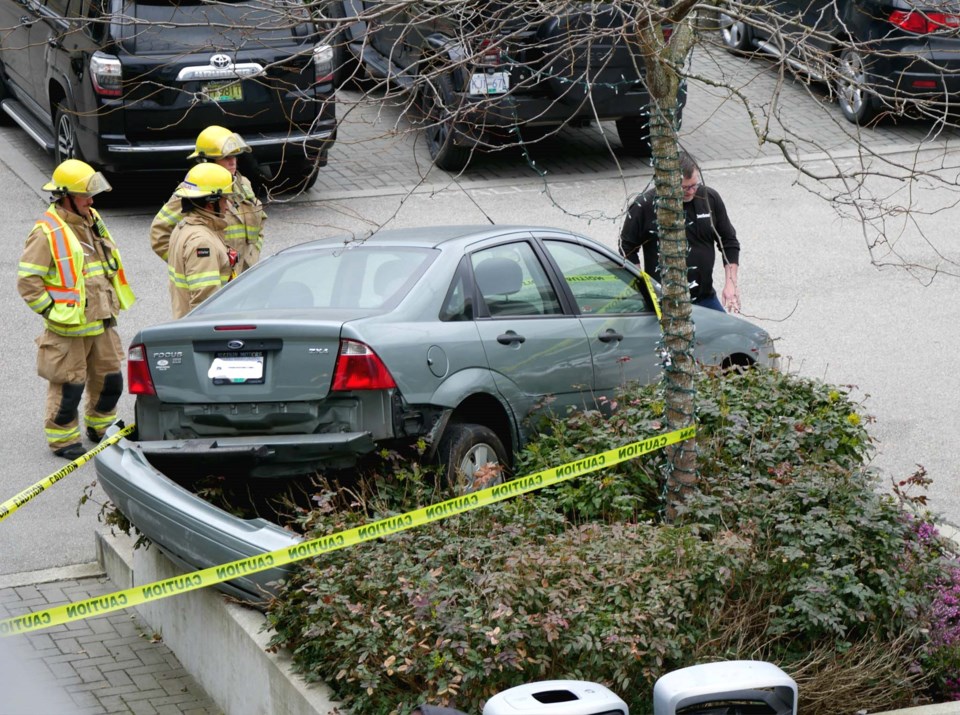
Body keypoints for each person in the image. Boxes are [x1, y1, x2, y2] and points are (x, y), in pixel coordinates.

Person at [17, 159, 135, 459]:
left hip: (103, 320)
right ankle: (63, 439)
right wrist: (53, 311)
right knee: (69, 386)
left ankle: (101, 426)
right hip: (69, 327)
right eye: (85, 195)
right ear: (66, 196)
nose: (91, 200)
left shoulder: (91, 218)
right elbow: (29, 280)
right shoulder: (47, 232)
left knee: (110, 379)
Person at [619, 151, 741, 313]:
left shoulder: (709, 198)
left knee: (729, 335)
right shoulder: (645, 205)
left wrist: (731, 284)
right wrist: (643, 288)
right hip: (664, 302)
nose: (691, 191)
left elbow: (729, 242)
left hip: (705, 298)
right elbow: (626, 248)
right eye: (684, 187)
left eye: (694, 185)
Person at [151, 125, 266, 273]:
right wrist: (190, 265)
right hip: (213, 279)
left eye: (235, 156)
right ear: (208, 161)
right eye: (225, 157)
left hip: (242, 279)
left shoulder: (243, 184)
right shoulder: (193, 191)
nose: (233, 162)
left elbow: (260, 221)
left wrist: (252, 256)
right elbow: (159, 235)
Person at [167, 162, 239, 319]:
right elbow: (205, 302)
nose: (227, 206)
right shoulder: (201, 242)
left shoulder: (184, 227)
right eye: (224, 200)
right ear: (210, 204)